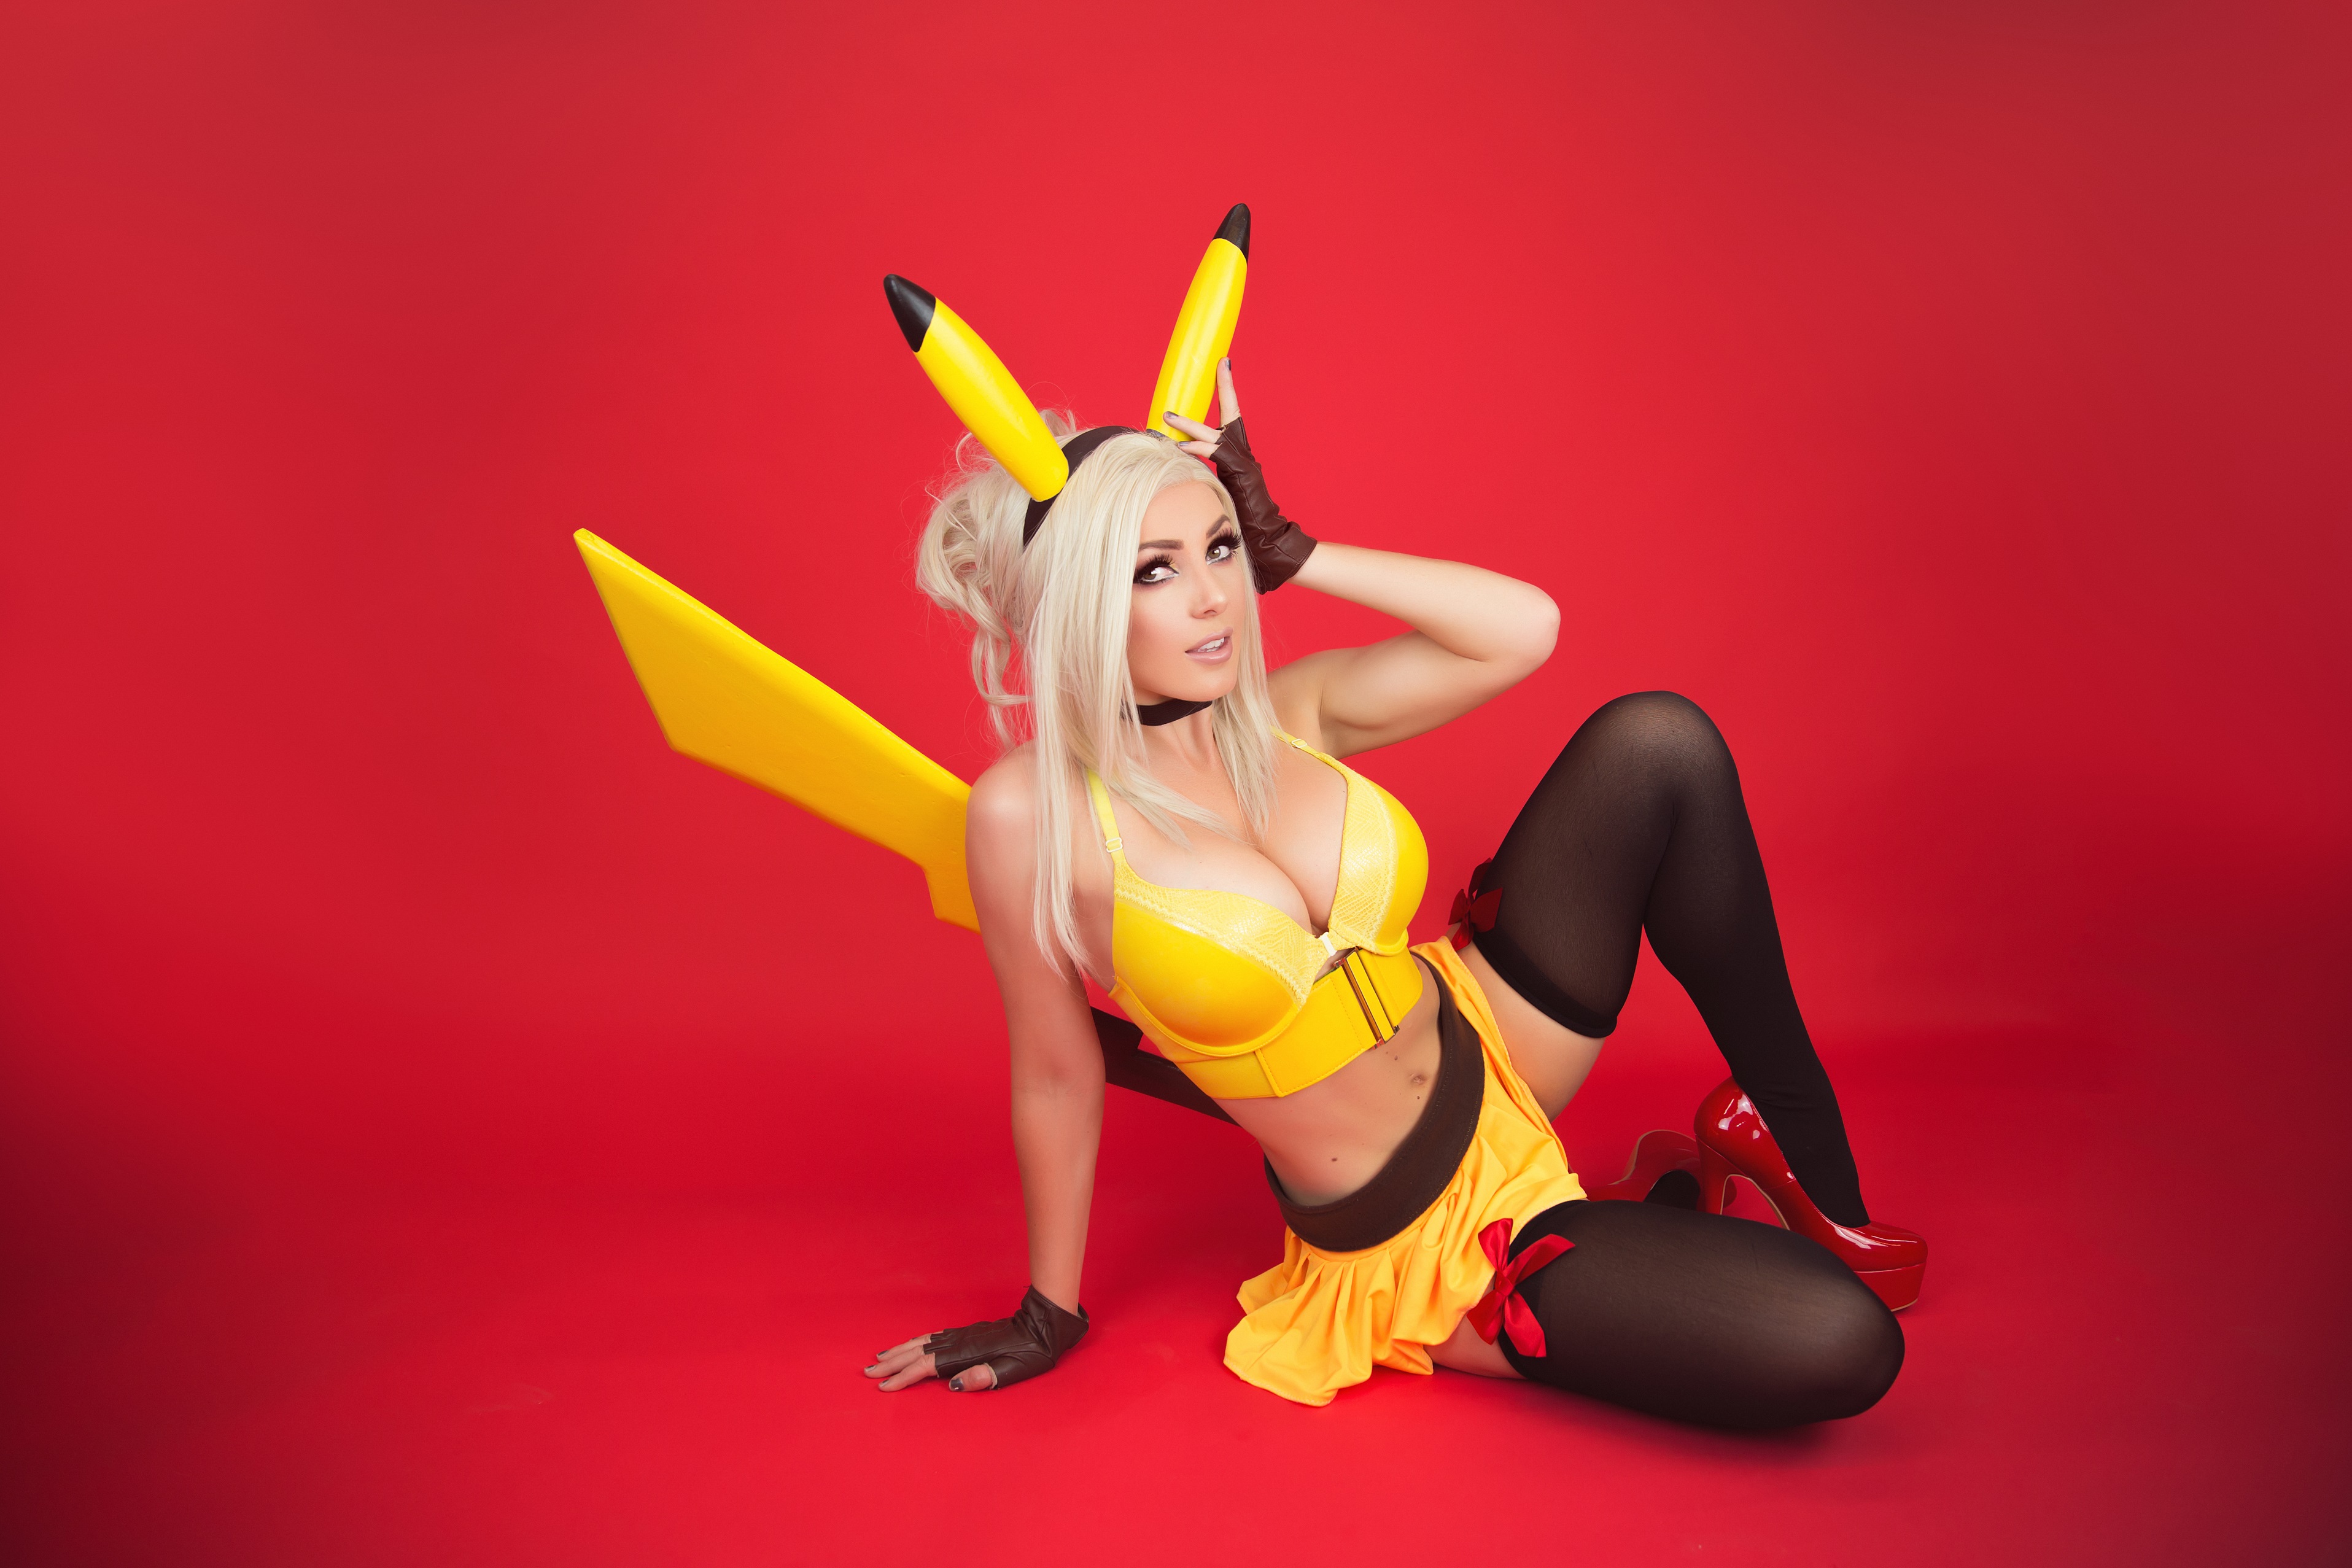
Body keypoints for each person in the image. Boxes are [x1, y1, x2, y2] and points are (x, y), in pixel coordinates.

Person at [858, 351, 1920, 1427]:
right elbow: (1055, 1070)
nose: (1216, 594)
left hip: (1496, 1039)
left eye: (1221, 547)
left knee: (1659, 744)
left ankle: (1796, 1147)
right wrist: (1049, 1309)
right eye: (1154, 571)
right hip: (1420, 1223)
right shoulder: (1029, 817)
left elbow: (1524, 629)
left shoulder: (1286, 713)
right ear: (1081, 601)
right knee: (1842, 1339)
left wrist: (1300, 551)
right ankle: (1649, 1217)